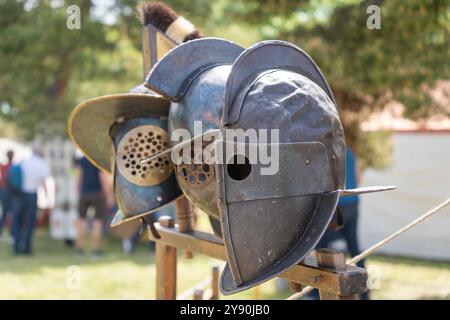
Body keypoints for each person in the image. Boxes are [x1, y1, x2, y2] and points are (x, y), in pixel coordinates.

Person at [315, 147, 368, 299]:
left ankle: (315, 292)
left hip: (338, 207)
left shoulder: (327, 153)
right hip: (353, 204)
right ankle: (365, 293)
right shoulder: (350, 151)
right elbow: (358, 178)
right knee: (355, 249)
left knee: (322, 250)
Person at [11, 146, 50, 255]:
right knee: (30, 222)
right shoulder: (41, 164)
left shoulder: (23, 162)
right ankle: (27, 247)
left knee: (17, 220)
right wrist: (47, 197)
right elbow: (43, 182)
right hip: (31, 194)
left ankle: (16, 246)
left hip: (19, 194)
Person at [75, 156, 112, 258]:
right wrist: (109, 195)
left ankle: (79, 250)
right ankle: (95, 251)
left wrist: (79, 190)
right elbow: (103, 177)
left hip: (84, 193)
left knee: (81, 221)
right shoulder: (98, 159)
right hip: (98, 194)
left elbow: (78, 176)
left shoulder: (82, 160)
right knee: (98, 222)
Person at [0, 150, 14, 240]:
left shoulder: (3, 166)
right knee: (11, 213)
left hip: (4, 191)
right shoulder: (14, 166)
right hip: (10, 191)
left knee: (5, 213)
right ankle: (11, 235)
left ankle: (9, 234)